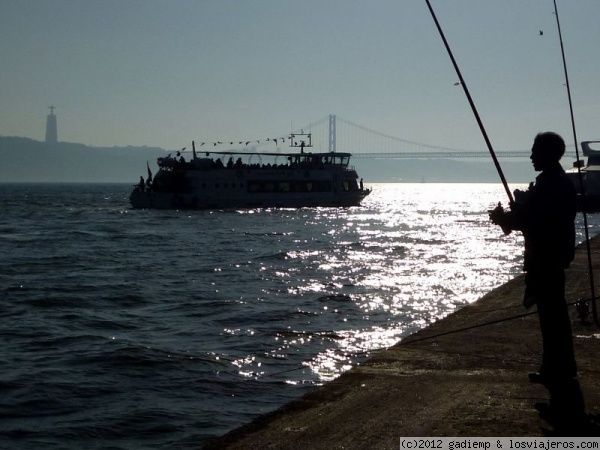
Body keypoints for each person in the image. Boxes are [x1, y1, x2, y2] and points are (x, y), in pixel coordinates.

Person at [489, 132, 577, 385]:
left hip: (546, 258)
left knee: (552, 317)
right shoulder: (557, 181)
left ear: (547, 154)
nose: (530, 156)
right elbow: (535, 217)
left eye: (535, 151)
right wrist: (518, 212)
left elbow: (530, 221)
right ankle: (558, 367)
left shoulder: (549, 184)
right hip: (554, 256)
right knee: (554, 315)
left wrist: (504, 219)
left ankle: (557, 370)